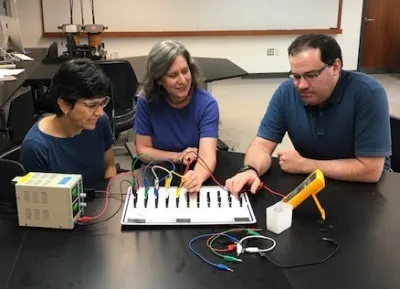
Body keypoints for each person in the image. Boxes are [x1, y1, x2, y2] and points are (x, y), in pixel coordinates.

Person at [226, 33, 391, 196]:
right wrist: (250, 169)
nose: (301, 85)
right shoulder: (286, 92)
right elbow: (261, 145)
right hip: (313, 184)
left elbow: (370, 170)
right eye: (296, 76)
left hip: (368, 191)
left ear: (335, 67)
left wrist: (305, 165)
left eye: (311, 75)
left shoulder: (368, 92)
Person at [134, 40, 219, 193]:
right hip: (156, 173)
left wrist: (197, 177)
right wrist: (177, 156)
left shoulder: (207, 104)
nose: (183, 80)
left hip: (193, 170)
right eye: (173, 75)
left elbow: (208, 155)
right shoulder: (146, 101)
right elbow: (142, 150)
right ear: (159, 79)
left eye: (185, 71)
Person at [20, 58, 117, 188]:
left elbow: (109, 166)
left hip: (100, 201)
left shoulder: (100, 121)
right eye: (91, 105)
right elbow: (39, 202)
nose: (99, 112)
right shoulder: (36, 147)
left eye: (102, 103)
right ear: (64, 104)